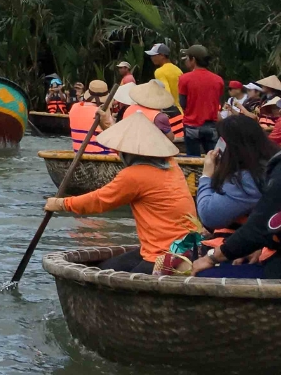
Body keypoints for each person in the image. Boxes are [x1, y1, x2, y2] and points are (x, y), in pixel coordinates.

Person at [44, 115, 197, 274]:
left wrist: (62, 204)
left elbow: (99, 201)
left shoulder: (134, 176)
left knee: (104, 275)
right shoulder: (171, 164)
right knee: (106, 268)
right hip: (186, 247)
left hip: (165, 255)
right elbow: (128, 150)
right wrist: (109, 125)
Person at [195, 115, 279, 258]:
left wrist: (206, 176)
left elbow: (209, 216)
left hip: (258, 253)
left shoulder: (246, 180)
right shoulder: (271, 164)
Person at [178, 44, 224, 157]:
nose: (186, 61)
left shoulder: (184, 78)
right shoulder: (218, 80)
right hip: (211, 126)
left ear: (193, 59)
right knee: (214, 159)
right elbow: (218, 103)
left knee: (193, 159)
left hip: (191, 125)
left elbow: (183, 103)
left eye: (187, 58)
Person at [68, 80, 113, 154]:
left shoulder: (74, 107)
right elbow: (115, 137)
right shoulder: (103, 113)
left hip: (79, 152)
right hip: (103, 155)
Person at [145, 43, 183, 113]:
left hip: (171, 112)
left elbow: (165, 93)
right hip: (181, 111)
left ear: (162, 56)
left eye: (154, 55)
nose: (151, 58)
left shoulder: (159, 71)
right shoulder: (178, 70)